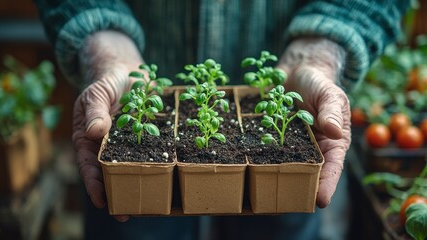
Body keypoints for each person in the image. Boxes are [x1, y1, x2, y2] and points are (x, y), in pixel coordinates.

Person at [34, 0, 409, 239]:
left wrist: (323, 53)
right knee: (130, 221)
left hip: (295, 136)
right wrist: (102, 46)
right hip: (130, 128)